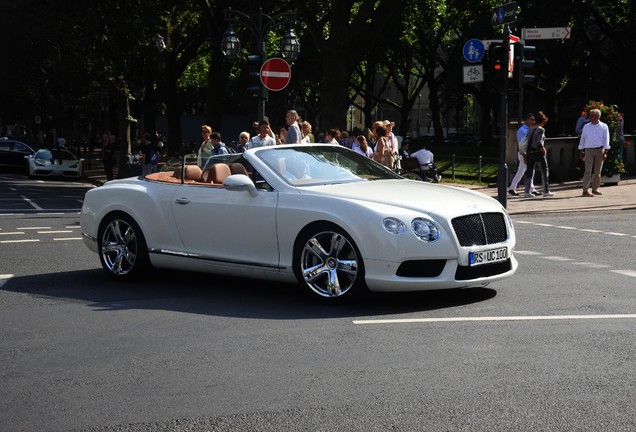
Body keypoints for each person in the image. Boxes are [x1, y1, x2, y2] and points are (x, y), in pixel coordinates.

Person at [578, 108, 610, 197]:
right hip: (588, 150)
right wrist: (581, 150)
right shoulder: (586, 126)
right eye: (590, 115)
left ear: (597, 116)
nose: (590, 117)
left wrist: (605, 151)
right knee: (587, 170)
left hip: (600, 149)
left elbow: (606, 139)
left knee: (597, 171)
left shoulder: (604, 126)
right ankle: (585, 190)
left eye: (592, 115)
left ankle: (595, 188)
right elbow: (583, 138)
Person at [523, 111, 555, 198]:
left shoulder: (530, 129)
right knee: (544, 170)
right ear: (542, 121)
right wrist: (543, 150)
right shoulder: (541, 130)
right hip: (538, 152)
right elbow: (539, 142)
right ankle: (546, 190)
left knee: (529, 171)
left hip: (529, 152)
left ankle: (527, 191)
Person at [508, 113, 539, 196]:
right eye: (532, 119)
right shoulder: (522, 130)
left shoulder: (530, 129)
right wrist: (524, 155)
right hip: (524, 153)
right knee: (530, 171)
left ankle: (512, 187)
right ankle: (531, 189)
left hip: (528, 153)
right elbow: (521, 144)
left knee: (522, 171)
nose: (534, 121)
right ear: (527, 120)